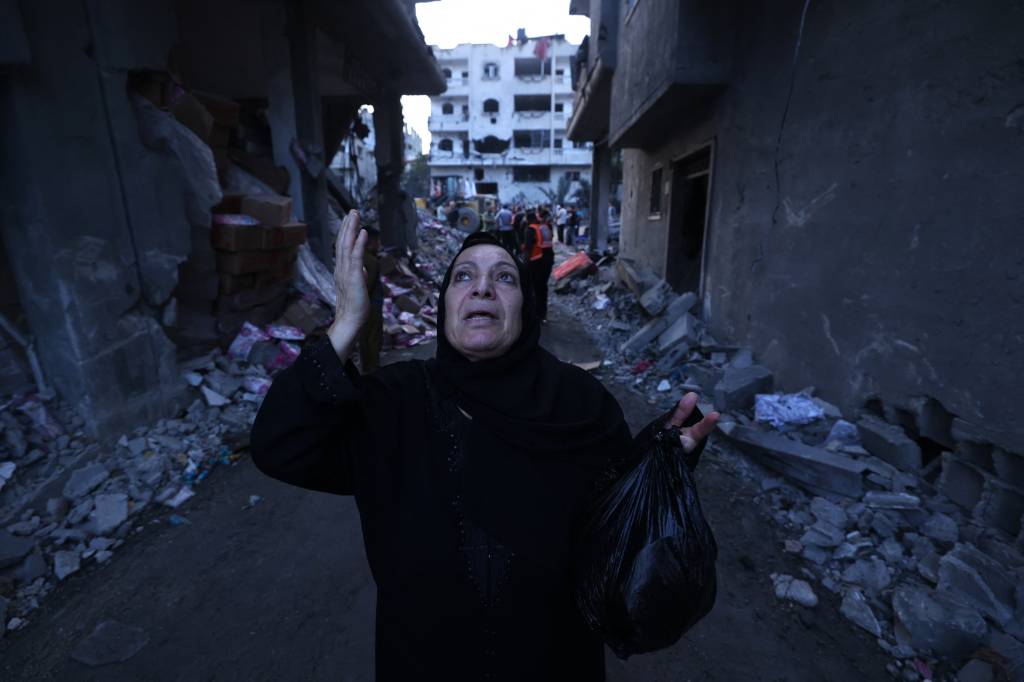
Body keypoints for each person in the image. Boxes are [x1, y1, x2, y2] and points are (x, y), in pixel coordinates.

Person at [251, 210, 720, 682]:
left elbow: (618, 529)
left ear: (526, 304)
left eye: (504, 278)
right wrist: (348, 320)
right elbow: (279, 445)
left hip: (555, 664)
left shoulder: (582, 405)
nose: (482, 288)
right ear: (445, 305)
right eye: (463, 276)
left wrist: (658, 468)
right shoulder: (394, 401)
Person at [357, 224, 383, 373]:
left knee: (364, 337)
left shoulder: (359, 258)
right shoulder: (371, 261)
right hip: (371, 304)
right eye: (377, 241)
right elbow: (369, 285)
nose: (378, 244)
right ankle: (373, 369)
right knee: (373, 337)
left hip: (363, 304)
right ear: (370, 241)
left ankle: (366, 368)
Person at [523, 209, 555, 322]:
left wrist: (524, 264)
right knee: (542, 287)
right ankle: (542, 314)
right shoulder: (545, 227)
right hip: (548, 260)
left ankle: (534, 314)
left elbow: (528, 247)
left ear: (528, 219)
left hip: (536, 261)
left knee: (533, 288)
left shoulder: (530, 229)